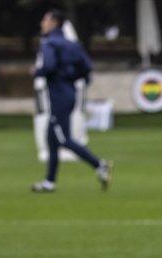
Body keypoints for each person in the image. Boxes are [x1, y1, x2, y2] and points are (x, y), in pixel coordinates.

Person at [30, 9, 112, 193]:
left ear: (53, 22)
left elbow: (48, 66)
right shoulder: (72, 44)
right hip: (70, 94)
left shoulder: (49, 43)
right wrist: (70, 77)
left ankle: (100, 165)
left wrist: (37, 71)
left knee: (63, 139)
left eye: (44, 19)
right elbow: (87, 69)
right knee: (52, 139)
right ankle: (49, 182)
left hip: (58, 97)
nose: (42, 24)